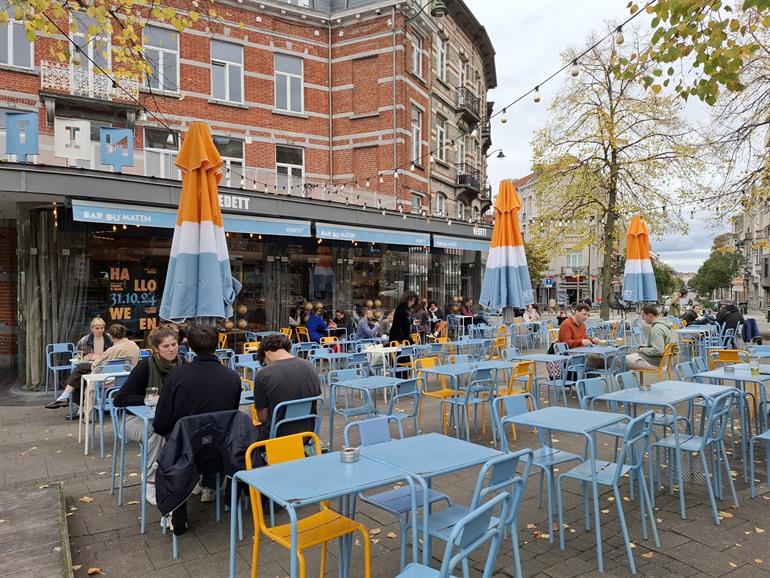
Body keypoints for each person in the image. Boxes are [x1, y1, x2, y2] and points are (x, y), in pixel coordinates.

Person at [153, 325, 241, 512]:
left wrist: (168, 434)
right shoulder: (233, 377)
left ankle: (178, 509)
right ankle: (209, 486)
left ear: (190, 346)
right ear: (217, 345)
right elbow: (230, 416)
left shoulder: (177, 375)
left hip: (184, 450)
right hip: (221, 449)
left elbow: (161, 421)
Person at [113, 327, 182, 505]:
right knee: (157, 429)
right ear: (156, 349)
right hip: (132, 421)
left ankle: (189, 477)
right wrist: (150, 399)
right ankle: (151, 482)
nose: (172, 349)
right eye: (166, 346)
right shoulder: (146, 366)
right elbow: (119, 399)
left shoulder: (183, 364)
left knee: (188, 426)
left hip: (169, 419)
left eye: (174, 344)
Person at [253, 334, 322, 439]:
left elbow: (262, 417)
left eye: (264, 362)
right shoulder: (310, 366)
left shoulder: (264, 374)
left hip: (276, 436)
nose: (266, 365)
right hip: (308, 433)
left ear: (266, 353)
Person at [45, 319, 122, 410]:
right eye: (97, 328)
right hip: (92, 365)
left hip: (106, 366)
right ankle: (79, 406)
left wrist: (102, 356)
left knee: (79, 370)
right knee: (80, 378)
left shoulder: (109, 338)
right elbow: (77, 355)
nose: (100, 330)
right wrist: (87, 357)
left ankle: (69, 400)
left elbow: (116, 352)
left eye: (102, 328)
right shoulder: (85, 339)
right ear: (91, 328)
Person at [626, 305, 675, 369]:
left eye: (643, 316)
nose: (643, 319)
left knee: (620, 359)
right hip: (664, 361)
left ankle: (626, 375)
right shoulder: (668, 326)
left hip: (654, 363)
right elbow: (676, 349)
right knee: (631, 356)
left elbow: (658, 350)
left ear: (650, 315)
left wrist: (643, 350)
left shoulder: (656, 329)